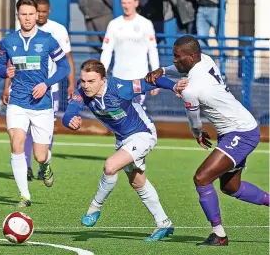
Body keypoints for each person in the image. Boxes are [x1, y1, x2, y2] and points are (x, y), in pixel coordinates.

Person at [145, 35, 269, 246]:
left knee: (202, 178)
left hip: (240, 132)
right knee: (231, 187)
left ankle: (219, 234)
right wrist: (163, 70)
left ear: (192, 57)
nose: (174, 61)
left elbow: (194, 122)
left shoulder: (192, 90)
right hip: (237, 128)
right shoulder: (206, 60)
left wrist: (198, 134)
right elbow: (182, 69)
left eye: (177, 57)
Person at [62, 59, 183, 241]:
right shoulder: (82, 93)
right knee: (137, 182)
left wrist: (174, 87)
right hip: (123, 140)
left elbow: (151, 81)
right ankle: (163, 223)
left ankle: (94, 208)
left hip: (143, 133)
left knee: (110, 166)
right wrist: (70, 121)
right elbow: (70, 111)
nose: (86, 86)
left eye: (91, 81)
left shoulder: (119, 87)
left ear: (103, 79)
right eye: (83, 81)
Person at [0, 0, 71, 207]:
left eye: (31, 14)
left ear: (37, 15)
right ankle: (24, 195)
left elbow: (65, 67)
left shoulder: (47, 40)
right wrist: (5, 71)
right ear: (17, 16)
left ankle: (46, 165)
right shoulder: (8, 41)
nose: (27, 18)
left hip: (42, 104)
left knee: (40, 154)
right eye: (23, 14)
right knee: (16, 142)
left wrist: (46, 84)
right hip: (17, 101)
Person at [100, 0, 160, 109]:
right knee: (119, 112)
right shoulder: (114, 24)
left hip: (139, 77)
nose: (126, 6)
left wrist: (156, 77)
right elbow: (106, 51)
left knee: (136, 109)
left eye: (129, 3)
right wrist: (100, 73)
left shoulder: (146, 24)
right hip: (119, 76)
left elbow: (153, 51)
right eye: (124, 3)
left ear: (136, 3)